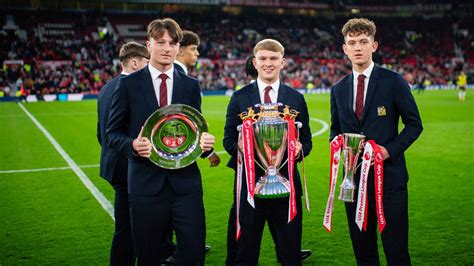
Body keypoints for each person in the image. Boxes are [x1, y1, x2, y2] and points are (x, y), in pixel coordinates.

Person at [106, 18, 215, 265]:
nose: (167, 48)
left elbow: (193, 129)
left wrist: (204, 142)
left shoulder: (190, 85)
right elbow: (112, 134)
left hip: (186, 185)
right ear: (149, 44)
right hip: (146, 185)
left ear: (178, 47)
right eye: (161, 42)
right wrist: (133, 145)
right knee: (149, 256)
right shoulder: (128, 84)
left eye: (172, 43)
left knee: (193, 254)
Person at [330, 18, 423, 265]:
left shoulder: (393, 81)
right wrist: (337, 145)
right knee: (364, 253)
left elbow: (415, 124)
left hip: (390, 181)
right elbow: (335, 131)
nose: (358, 47)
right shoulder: (338, 89)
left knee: (396, 252)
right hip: (352, 184)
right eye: (352, 43)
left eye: (363, 41)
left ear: (374, 45)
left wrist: (388, 150)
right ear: (345, 49)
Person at [223, 39, 312, 265]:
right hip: (249, 189)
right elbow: (228, 140)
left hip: (287, 187)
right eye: (263, 59)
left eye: (273, 59)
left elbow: (308, 141)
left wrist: (301, 148)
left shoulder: (296, 98)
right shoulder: (239, 97)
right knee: (245, 253)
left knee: (290, 253)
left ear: (283, 62)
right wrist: (239, 148)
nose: (268, 63)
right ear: (255, 62)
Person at [97, 41, 149, 266]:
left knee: (126, 226)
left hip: (114, 164)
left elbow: (102, 133)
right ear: (135, 62)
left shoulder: (106, 87)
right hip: (130, 166)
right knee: (132, 228)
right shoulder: (131, 88)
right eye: (147, 63)